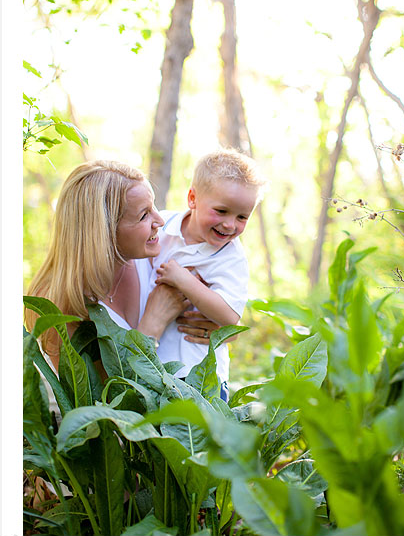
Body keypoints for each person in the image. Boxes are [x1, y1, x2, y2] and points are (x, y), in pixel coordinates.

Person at [25, 161, 214, 372]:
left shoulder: (158, 254)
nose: (159, 221)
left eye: (154, 208)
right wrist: (153, 324)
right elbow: (99, 398)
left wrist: (215, 328)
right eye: (144, 215)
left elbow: (223, 302)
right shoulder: (57, 303)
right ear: (103, 231)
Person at [151, 149, 265, 398]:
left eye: (242, 217)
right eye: (222, 211)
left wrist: (184, 281)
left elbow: (229, 318)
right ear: (192, 198)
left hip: (199, 377)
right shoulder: (161, 227)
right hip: (154, 366)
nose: (230, 225)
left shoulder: (231, 258)